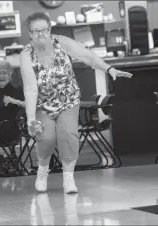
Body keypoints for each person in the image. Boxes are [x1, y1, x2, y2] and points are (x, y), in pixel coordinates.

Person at [19, 12, 132, 194]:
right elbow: (31, 89)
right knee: (46, 139)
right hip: (42, 105)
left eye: (44, 30)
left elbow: (87, 56)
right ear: (29, 33)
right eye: (36, 31)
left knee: (68, 135)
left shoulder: (61, 42)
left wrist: (109, 68)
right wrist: (31, 119)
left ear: (50, 30)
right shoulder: (26, 56)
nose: (41, 34)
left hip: (68, 100)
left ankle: (68, 178)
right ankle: (42, 169)